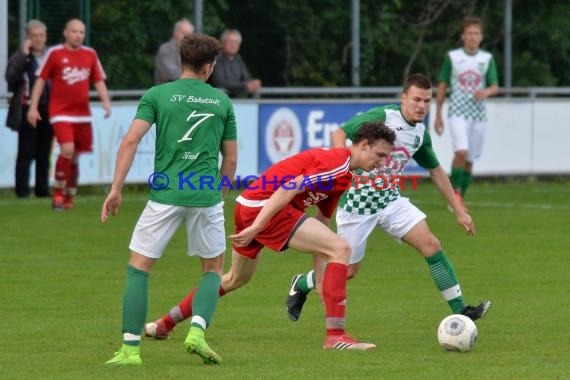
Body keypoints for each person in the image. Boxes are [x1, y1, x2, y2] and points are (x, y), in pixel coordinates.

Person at [144, 122, 396, 351]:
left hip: (250, 206)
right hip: (263, 208)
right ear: (363, 145)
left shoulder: (344, 175)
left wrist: (320, 279)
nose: (383, 162)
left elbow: (322, 223)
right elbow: (289, 187)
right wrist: (257, 226)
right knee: (342, 249)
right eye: (380, 155)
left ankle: (164, 323)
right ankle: (336, 336)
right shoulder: (337, 163)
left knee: (233, 279)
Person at [284, 74, 491, 325]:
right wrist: (345, 165)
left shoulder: (420, 134)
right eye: (416, 99)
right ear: (404, 98)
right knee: (347, 271)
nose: (422, 106)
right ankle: (302, 283)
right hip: (356, 204)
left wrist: (458, 209)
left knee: (431, 245)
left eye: (427, 101)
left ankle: (460, 310)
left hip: (391, 201)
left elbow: (435, 171)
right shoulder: (383, 118)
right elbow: (340, 132)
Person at [102, 33, 237, 366]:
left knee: (139, 269)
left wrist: (116, 189)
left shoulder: (157, 94)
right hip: (205, 194)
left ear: (184, 62)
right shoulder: (221, 101)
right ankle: (197, 332)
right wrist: (219, 192)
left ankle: (131, 350)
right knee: (213, 270)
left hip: (165, 194)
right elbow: (231, 159)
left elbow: (130, 142)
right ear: (208, 67)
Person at [27, 18, 111, 210]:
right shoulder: (55, 53)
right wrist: (33, 107)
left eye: (82, 32)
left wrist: (106, 102)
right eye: (74, 31)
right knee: (67, 148)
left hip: (82, 114)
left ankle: (69, 195)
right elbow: (40, 80)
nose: (78, 35)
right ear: (65, 33)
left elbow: (98, 80)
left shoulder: (90, 54)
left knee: (74, 157)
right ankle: (57, 194)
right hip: (60, 112)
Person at [434, 16, 499, 209]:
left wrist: (486, 91)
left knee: (470, 160)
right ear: (463, 36)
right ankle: (455, 197)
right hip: (457, 113)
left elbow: (495, 86)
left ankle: (461, 194)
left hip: (478, 115)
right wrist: (438, 114)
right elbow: (443, 85)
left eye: (476, 33)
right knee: (461, 152)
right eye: (469, 33)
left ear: (481, 37)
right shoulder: (453, 58)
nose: (473, 37)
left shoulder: (486, 59)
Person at [5, 19, 53, 198]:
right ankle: (22, 191)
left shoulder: (51, 55)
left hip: (48, 109)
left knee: (44, 152)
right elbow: (10, 78)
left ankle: (42, 190)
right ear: (28, 38)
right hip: (26, 108)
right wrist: (24, 55)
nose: (38, 39)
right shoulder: (21, 57)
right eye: (34, 36)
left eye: (41, 35)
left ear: (46, 36)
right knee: (26, 152)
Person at [209, 29, 261, 97]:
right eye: (230, 41)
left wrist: (252, 84)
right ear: (222, 43)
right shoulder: (216, 58)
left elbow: (245, 79)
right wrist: (245, 86)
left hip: (234, 101)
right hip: (216, 100)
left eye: (236, 42)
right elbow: (219, 82)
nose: (233, 44)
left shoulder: (238, 58)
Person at [154, 19, 194, 84]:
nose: (186, 37)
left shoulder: (192, 51)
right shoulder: (165, 49)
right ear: (175, 33)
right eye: (183, 33)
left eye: (189, 34)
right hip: (166, 92)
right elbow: (173, 74)